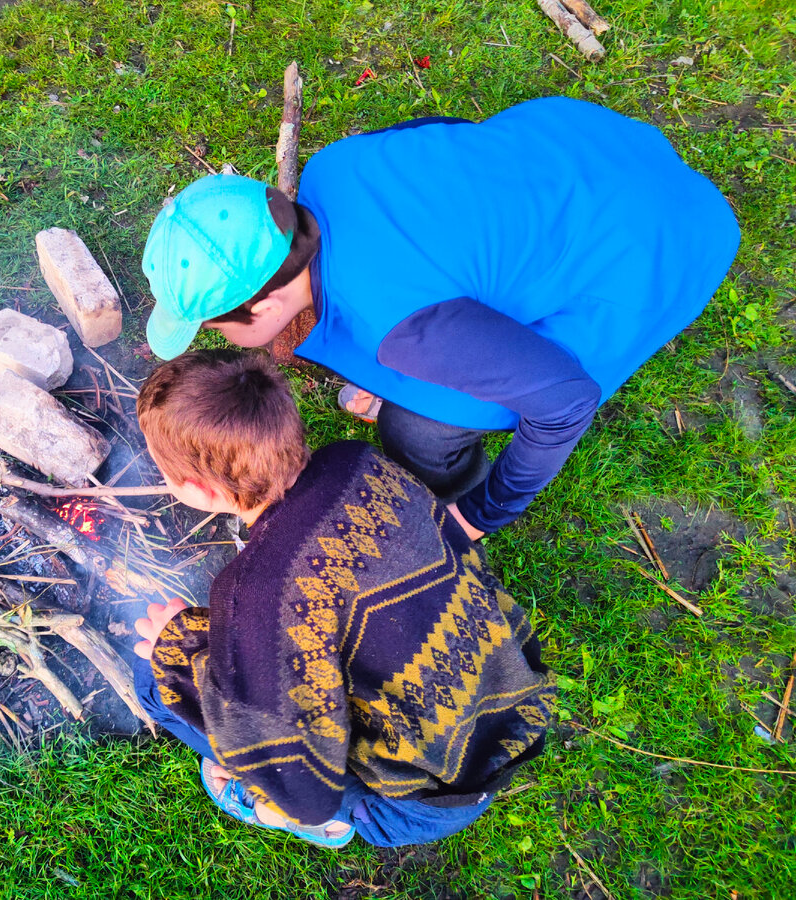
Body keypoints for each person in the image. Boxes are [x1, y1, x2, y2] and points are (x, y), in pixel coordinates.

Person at [140, 97, 740, 539]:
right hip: (592, 147)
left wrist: (480, 516)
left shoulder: (403, 328)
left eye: (216, 327)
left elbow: (565, 401)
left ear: (264, 305)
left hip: (656, 241)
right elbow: (446, 134)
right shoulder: (330, 170)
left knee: (419, 428)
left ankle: (453, 482)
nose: (221, 341)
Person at [132, 349, 555, 848]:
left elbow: (301, 787)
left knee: (153, 685)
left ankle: (339, 820)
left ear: (197, 489)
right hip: (514, 712)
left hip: (418, 804)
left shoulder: (257, 594)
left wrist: (178, 647)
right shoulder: (356, 460)